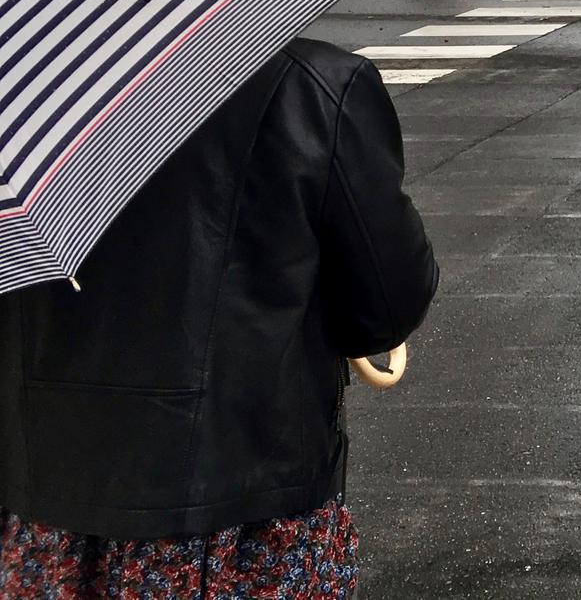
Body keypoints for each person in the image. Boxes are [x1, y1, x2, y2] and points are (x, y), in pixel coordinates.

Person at [0, 40, 435, 598]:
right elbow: (385, 304)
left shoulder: (23, 96)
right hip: (248, 506)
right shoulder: (311, 85)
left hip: (48, 516)